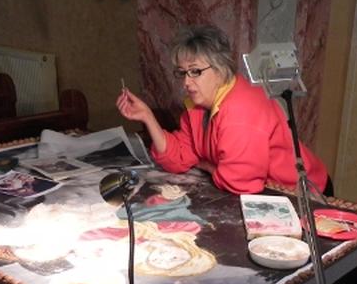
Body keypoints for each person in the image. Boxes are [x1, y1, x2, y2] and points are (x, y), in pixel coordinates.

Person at [116, 25, 329, 196]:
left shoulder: (241, 111)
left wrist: (208, 166)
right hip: (264, 193)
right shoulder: (200, 105)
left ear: (220, 68)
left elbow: (239, 182)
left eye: (195, 71)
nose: (186, 82)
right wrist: (147, 117)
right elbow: (179, 157)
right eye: (182, 73)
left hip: (303, 194)